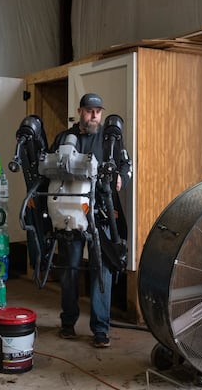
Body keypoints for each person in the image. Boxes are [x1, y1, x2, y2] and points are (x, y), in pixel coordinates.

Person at [49, 93, 132, 348]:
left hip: (102, 213)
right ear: (80, 111)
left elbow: (125, 165)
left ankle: (100, 330)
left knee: (101, 270)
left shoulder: (109, 139)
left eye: (98, 111)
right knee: (71, 268)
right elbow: (50, 170)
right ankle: (68, 323)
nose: (94, 115)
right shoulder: (64, 139)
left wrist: (121, 178)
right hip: (71, 211)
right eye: (89, 111)